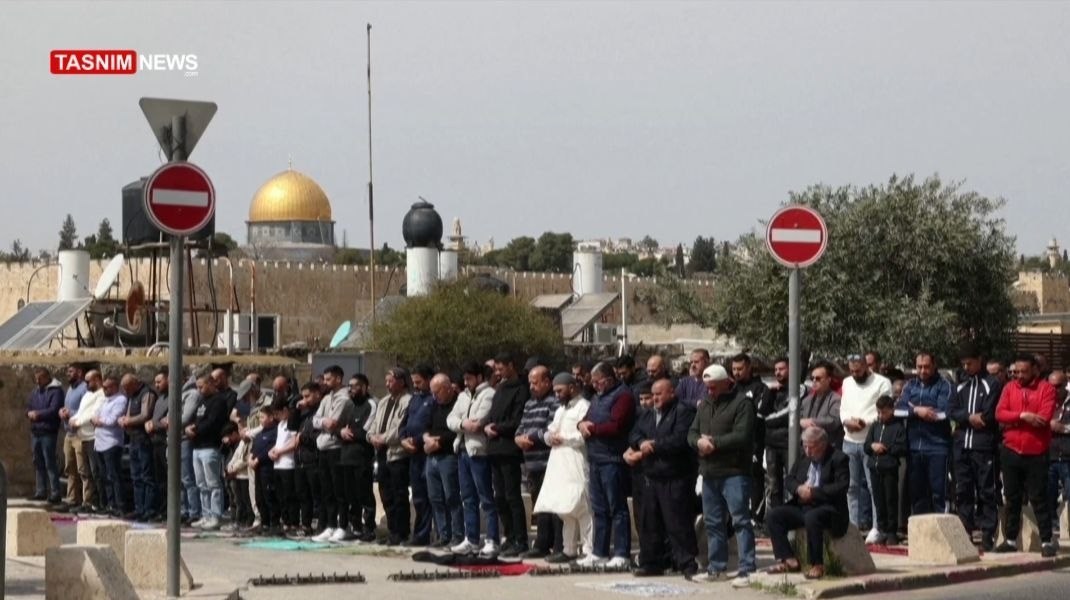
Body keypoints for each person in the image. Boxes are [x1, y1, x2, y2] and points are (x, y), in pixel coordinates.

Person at [688, 364, 756, 588]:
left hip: (734, 472)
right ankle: (716, 567)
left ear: (727, 383)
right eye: (707, 388)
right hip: (709, 472)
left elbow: (742, 435)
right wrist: (698, 442)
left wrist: (714, 443)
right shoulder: (705, 404)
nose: (710, 392)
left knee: (740, 520)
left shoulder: (742, 403)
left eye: (714, 387)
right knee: (713, 522)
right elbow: (692, 432)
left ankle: (747, 568)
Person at [627, 378, 698, 579]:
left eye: (659, 394)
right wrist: (641, 442)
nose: (655, 398)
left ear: (672, 393)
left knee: (677, 522)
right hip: (651, 476)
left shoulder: (683, 411)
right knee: (650, 522)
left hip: (675, 476)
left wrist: (655, 445)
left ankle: (686, 563)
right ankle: (652, 562)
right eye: (653, 394)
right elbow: (634, 434)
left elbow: (680, 439)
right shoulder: (648, 414)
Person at [765, 427, 851, 580]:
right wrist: (799, 489)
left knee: (812, 517)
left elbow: (841, 487)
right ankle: (788, 559)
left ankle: (817, 564)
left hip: (828, 507)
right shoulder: (804, 457)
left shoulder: (838, 458)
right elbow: (789, 479)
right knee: (774, 515)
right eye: (804, 446)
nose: (807, 450)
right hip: (803, 504)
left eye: (811, 447)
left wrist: (813, 492)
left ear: (822, 444)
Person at [995, 354, 1057, 557]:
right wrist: (1022, 416)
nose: (1019, 376)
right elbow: (1000, 413)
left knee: (1038, 497)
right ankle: (1011, 539)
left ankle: (1047, 541)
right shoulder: (1009, 388)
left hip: (1036, 452)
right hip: (1011, 450)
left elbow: (1044, 417)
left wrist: (1014, 419)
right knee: (1012, 498)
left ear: (1035, 371)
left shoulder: (1046, 389)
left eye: (1023, 371)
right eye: (1016, 372)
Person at [577, 362, 636, 568]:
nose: (594, 386)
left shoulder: (623, 396)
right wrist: (581, 424)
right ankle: (599, 551)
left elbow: (616, 425)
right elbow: (585, 420)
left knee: (617, 508)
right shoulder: (597, 397)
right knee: (599, 509)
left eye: (597, 382)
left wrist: (592, 429)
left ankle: (621, 552)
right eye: (592, 383)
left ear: (608, 380)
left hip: (613, 460)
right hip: (596, 459)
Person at [534, 373, 594, 563]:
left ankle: (589, 549)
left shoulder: (584, 406)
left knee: (582, 507)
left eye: (560, 390)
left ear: (572, 387)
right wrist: (549, 437)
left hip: (576, 461)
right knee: (564, 509)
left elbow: (585, 436)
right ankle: (569, 549)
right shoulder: (561, 409)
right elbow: (551, 429)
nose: (557, 394)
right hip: (559, 463)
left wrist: (565, 439)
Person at [948, 345, 1002, 551]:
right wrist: (969, 417)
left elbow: (988, 415)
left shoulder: (992, 384)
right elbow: (951, 410)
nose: (966, 367)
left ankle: (988, 533)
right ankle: (965, 529)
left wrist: (971, 418)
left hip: (982, 446)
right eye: (963, 363)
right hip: (962, 445)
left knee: (986, 490)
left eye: (970, 363)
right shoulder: (960, 384)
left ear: (980, 360)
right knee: (962, 490)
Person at [481, 352, 531, 557]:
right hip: (494, 448)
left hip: (509, 448)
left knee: (512, 496)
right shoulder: (500, 388)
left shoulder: (520, 389)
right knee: (499, 497)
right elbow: (493, 414)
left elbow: (517, 419)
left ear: (511, 366)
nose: (498, 373)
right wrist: (488, 427)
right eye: (496, 370)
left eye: (501, 369)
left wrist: (498, 429)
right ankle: (509, 536)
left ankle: (520, 539)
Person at [448, 362, 499, 556]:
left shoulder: (489, 394)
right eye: (464, 379)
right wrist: (462, 423)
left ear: (479, 377)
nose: (466, 382)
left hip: (478, 452)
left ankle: (492, 539)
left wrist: (466, 423)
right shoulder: (462, 396)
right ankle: (472, 539)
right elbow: (451, 419)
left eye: (469, 378)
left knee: (486, 497)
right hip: (462, 450)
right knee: (467, 497)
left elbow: (479, 421)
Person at [839, 354, 892, 543]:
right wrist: (847, 421)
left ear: (866, 367)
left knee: (873, 486)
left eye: (858, 370)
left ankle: (878, 527)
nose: (855, 374)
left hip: (870, 439)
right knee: (851, 487)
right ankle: (852, 526)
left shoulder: (882, 383)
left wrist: (864, 422)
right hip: (849, 439)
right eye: (852, 371)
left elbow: (884, 410)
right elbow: (843, 407)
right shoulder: (847, 382)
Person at [895, 352, 953, 516]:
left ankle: (943, 532)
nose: (922, 371)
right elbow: (898, 411)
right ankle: (922, 534)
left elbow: (942, 413)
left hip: (937, 447)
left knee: (938, 492)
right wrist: (917, 410)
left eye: (926, 367)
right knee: (917, 494)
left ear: (934, 366)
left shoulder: (944, 385)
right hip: (914, 447)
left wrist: (911, 409)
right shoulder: (910, 385)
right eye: (919, 367)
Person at [517, 365, 564, 558]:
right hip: (532, 462)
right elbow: (522, 426)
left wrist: (532, 438)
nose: (532, 386)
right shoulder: (529, 404)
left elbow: (550, 429)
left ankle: (560, 545)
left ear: (547, 382)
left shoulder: (554, 403)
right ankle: (542, 543)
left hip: (548, 461)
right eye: (530, 383)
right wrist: (518, 437)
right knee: (540, 504)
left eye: (535, 382)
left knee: (555, 506)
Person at [311, 365, 356, 543]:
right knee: (326, 490)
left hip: (336, 448)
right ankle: (330, 525)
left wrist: (323, 422)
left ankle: (342, 525)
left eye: (329, 379)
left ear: (338, 379)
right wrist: (323, 421)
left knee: (340, 491)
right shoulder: (325, 399)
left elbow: (333, 423)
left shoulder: (344, 398)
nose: (325, 382)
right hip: (323, 447)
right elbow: (315, 421)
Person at [370, 367, 412, 546]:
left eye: (391, 381)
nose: (387, 384)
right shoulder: (383, 401)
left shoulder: (408, 401)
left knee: (399, 495)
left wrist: (384, 438)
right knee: (385, 493)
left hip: (397, 454)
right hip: (381, 453)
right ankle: (392, 530)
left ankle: (402, 532)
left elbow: (400, 428)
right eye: (386, 381)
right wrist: (372, 436)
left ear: (402, 381)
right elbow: (373, 425)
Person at [730, 353, 770, 530]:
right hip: (733, 443)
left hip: (754, 443)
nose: (737, 373)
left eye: (740, 369)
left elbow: (757, 417)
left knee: (755, 479)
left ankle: (756, 517)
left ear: (748, 367)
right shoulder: (731, 389)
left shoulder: (760, 389)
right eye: (734, 369)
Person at [424, 373, 463, 548]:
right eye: (432, 392)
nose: (435, 396)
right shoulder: (435, 405)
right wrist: (426, 439)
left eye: (437, 391)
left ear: (447, 388)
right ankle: (442, 534)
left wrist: (437, 442)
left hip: (448, 456)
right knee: (435, 498)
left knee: (451, 497)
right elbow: (426, 426)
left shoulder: (457, 404)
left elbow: (455, 431)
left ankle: (457, 535)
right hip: (432, 456)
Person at [185, 373, 229, 530]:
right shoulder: (202, 401)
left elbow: (213, 422)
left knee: (213, 484)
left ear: (211, 384)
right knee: (201, 484)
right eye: (197, 387)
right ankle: (205, 514)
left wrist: (195, 429)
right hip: (197, 447)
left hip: (210, 446)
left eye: (201, 386)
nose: (199, 390)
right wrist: (190, 427)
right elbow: (196, 419)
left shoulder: (219, 401)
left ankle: (216, 515)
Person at [399, 364, 436, 546]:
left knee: (432, 496)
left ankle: (429, 534)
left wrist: (420, 440)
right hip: (413, 455)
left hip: (427, 453)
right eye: (413, 382)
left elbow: (433, 426)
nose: (416, 386)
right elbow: (404, 423)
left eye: (419, 382)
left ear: (429, 379)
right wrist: (403, 439)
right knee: (419, 497)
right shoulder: (414, 399)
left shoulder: (434, 399)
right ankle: (419, 535)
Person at [864, 395, 907, 545]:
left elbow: (902, 447)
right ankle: (881, 529)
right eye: (879, 412)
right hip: (874, 468)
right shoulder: (875, 426)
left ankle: (891, 531)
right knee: (878, 500)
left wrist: (886, 449)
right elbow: (866, 445)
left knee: (890, 499)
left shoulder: (898, 427)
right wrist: (872, 446)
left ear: (891, 410)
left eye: (884, 412)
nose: (881, 415)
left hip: (889, 468)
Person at [340, 374, 378, 542]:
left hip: (362, 457)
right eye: (349, 386)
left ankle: (369, 528)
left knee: (365, 495)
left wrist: (351, 432)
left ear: (364, 387)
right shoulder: (348, 406)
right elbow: (337, 426)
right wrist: (341, 431)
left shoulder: (371, 405)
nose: (351, 389)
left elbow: (366, 431)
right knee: (350, 495)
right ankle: (355, 527)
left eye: (355, 386)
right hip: (346, 456)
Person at [120, 374, 157, 521]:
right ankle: (138, 508)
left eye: (128, 388)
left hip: (144, 439)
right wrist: (124, 419)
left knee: (146, 475)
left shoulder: (146, 393)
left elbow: (145, 414)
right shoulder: (132, 394)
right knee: (135, 476)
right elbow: (129, 412)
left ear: (134, 383)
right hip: (133, 439)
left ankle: (148, 509)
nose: (127, 392)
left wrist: (129, 421)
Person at [69, 370, 105, 514]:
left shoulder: (101, 395)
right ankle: (88, 501)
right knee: (85, 471)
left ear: (97, 379)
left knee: (96, 471)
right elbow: (81, 411)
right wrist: (73, 419)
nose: (86, 384)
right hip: (82, 437)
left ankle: (98, 502)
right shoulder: (87, 395)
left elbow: (93, 413)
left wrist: (78, 422)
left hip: (92, 437)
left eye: (88, 381)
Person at [91, 376, 128, 517]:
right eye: (104, 387)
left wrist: (99, 421)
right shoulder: (105, 400)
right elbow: (95, 415)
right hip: (99, 443)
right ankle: (110, 504)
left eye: (107, 387)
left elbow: (112, 420)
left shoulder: (120, 400)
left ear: (114, 387)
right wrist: (98, 420)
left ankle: (120, 505)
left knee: (114, 476)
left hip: (111, 443)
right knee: (104, 476)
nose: (104, 390)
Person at [27, 367, 64, 503]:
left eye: (40, 378)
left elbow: (54, 409)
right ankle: (40, 491)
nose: (37, 381)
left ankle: (55, 492)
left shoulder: (56, 391)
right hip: (36, 431)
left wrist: (38, 414)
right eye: (36, 378)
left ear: (47, 377)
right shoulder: (36, 391)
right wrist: (29, 413)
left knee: (50, 462)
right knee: (38, 462)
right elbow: (29, 406)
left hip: (48, 432)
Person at [760, 357, 791, 513]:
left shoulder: (798, 389)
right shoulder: (772, 391)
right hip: (771, 444)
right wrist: (767, 393)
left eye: (781, 369)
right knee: (774, 486)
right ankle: (776, 520)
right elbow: (760, 412)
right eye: (776, 370)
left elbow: (788, 414)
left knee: (792, 483)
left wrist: (766, 420)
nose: (778, 372)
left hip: (788, 444)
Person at [293, 382, 323, 537]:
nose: (304, 400)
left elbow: (318, 435)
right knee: (302, 494)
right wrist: (296, 410)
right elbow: (292, 426)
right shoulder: (304, 413)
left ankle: (319, 524)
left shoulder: (320, 411)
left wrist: (303, 437)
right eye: (303, 396)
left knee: (316, 495)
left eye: (307, 396)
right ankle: (305, 525)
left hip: (314, 458)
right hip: (300, 459)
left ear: (317, 394)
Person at [58, 363, 88, 511]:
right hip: (68, 434)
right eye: (68, 371)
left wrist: (70, 413)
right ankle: (71, 499)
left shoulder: (84, 389)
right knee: (70, 469)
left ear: (80, 372)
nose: (68, 374)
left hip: (79, 435)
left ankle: (87, 501)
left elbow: (85, 411)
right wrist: (62, 412)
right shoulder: (70, 389)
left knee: (83, 469)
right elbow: (68, 409)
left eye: (71, 371)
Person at [268, 400, 298, 532]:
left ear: (285, 410)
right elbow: (278, 442)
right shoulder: (280, 424)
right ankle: (285, 521)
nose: (276, 416)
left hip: (288, 464)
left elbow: (293, 442)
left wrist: (280, 451)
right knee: (280, 496)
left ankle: (293, 522)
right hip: (277, 464)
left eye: (278, 413)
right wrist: (272, 451)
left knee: (289, 496)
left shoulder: (292, 423)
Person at [1048, 369, 1070, 543]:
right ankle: (1052, 523)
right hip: (1050, 455)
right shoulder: (1046, 401)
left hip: (1068, 455)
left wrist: (1062, 428)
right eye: (1051, 386)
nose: (1054, 390)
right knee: (1049, 493)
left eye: (1058, 386)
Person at [250, 404, 280, 535]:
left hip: (268, 469)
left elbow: (271, 449)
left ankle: (274, 523)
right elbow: (254, 448)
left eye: (262, 417)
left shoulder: (275, 432)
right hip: (257, 469)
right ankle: (265, 522)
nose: (260, 420)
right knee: (259, 497)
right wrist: (250, 458)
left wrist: (258, 459)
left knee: (269, 496)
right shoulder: (260, 433)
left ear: (271, 417)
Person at [145, 368, 169, 520]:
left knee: (168, 479)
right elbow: (156, 419)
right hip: (154, 441)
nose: (157, 385)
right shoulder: (160, 399)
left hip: (165, 442)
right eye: (155, 383)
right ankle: (161, 509)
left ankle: (169, 509)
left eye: (159, 381)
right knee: (159, 479)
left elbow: (168, 421)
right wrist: (149, 423)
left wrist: (156, 425)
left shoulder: (173, 397)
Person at [800, 363, 842, 449]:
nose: (814, 381)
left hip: (826, 447)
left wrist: (812, 421)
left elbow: (833, 421)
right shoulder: (806, 400)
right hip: (807, 447)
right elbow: (797, 417)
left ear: (828, 380)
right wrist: (800, 421)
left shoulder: (836, 399)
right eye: (812, 378)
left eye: (818, 378)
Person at [222, 422, 253, 529]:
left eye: (243, 430)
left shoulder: (249, 442)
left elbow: (244, 460)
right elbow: (235, 457)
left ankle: (247, 521)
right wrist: (229, 467)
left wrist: (233, 469)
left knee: (246, 501)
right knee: (237, 500)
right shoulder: (240, 444)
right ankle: (238, 521)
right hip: (236, 476)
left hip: (244, 476)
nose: (242, 432)